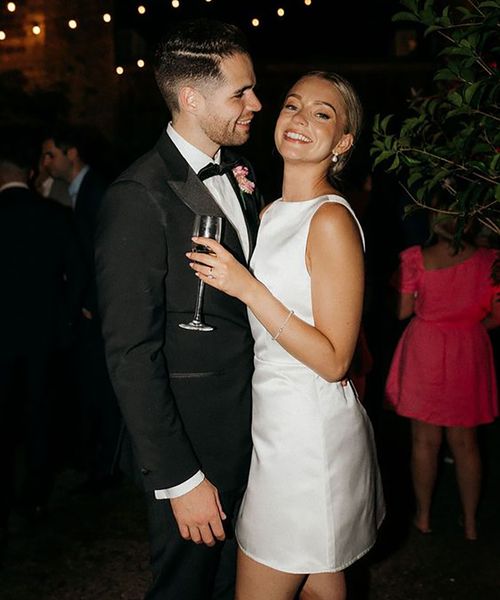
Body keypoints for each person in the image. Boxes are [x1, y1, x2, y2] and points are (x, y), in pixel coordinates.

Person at [187, 71, 385, 600]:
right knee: (321, 580)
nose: (299, 119)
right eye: (293, 106)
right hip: (275, 423)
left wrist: (247, 288)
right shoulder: (272, 212)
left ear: (343, 142)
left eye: (322, 113)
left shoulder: (330, 221)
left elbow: (336, 359)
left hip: (306, 436)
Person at [95, 19, 262, 600]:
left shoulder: (241, 177)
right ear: (191, 97)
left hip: (250, 427)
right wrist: (179, 477)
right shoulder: (138, 195)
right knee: (184, 588)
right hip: (190, 441)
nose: (256, 103)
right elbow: (130, 352)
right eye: (241, 91)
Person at [385, 211, 500, 541]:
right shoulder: (491, 260)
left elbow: (403, 311)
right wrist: (465, 325)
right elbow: (497, 315)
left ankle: (423, 516)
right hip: (469, 349)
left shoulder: (416, 259)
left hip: (427, 349)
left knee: (424, 441)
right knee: (466, 444)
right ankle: (471, 522)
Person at [0, 130, 83, 537]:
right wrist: (64, 324)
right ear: (30, 173)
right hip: (42, 339)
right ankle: (34, 496)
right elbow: (76, 276)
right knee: (38, 417)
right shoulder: (54, 215)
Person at [41, 127, 120, 491]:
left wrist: (91, 303)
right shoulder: (72, 192)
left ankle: (105, 467)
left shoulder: (97, 192)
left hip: (100, 311)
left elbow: (106, 252)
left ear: (71, 154)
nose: (46, 163)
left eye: (50, 155)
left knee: (101, 388)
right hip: (86, 308)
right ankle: (94, 460)